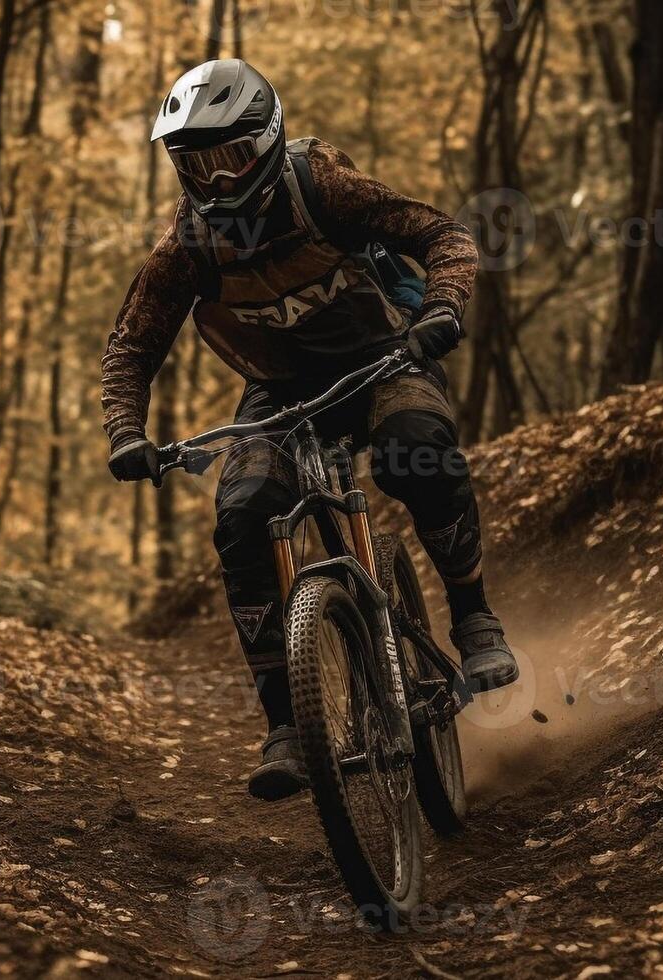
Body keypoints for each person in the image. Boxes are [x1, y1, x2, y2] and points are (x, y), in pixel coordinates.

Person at [101, 59, 518, 802]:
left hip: (388, 358)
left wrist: (441, 310)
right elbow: (132, 345)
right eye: (196, 166)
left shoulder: (322, 187)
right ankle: (288, 725)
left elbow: (443, 235)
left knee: (415, 454)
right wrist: (126, 433)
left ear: (267, 142)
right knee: (240, 514)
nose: (217, 183)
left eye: (231, 159)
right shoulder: (186, 247)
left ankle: (473, 617)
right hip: (283, 394)